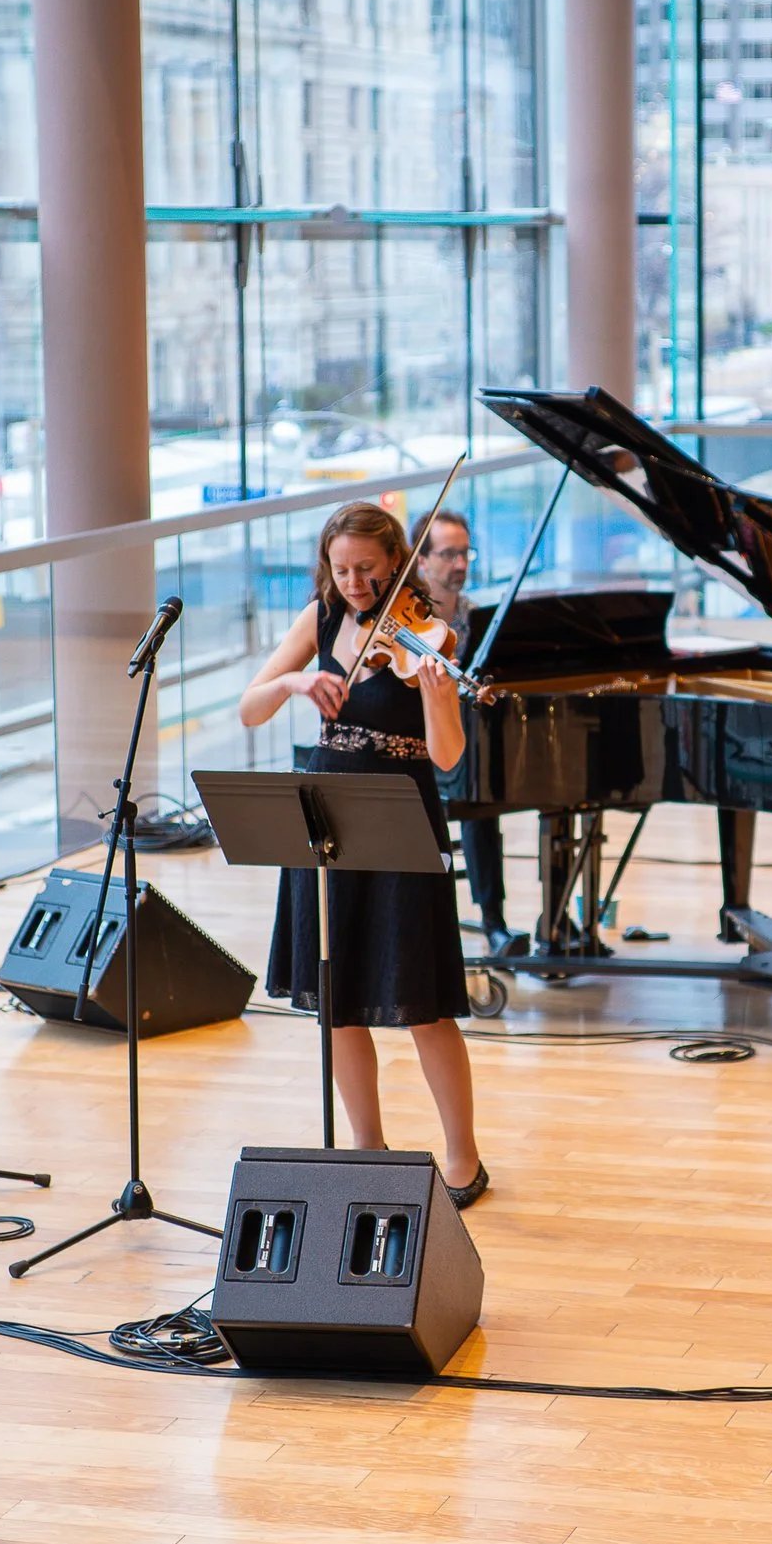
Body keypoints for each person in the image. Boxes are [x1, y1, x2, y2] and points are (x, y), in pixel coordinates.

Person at [239, 502, 489, 1207]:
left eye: (368, 570)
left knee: (423, 1004)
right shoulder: (319, 619)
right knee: (338, 1003)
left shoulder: (426, 631)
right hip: (327, 820)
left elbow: (447, 757)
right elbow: (250, 708)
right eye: (341, 569)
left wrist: (438, 696)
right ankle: (366, 1148)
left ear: (396, 563)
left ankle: (464, 1158)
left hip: (400, 817)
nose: (353, 583)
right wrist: (294, 682)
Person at [416, 508, 517, 952]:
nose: (459, 564)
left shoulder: (481, 619)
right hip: (416, 746)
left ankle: (494, 920)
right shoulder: (408, 620)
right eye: (448, 554)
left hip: (463, 743)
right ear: (421, 560)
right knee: (474, 786)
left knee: (481, 791)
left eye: (465, 553)